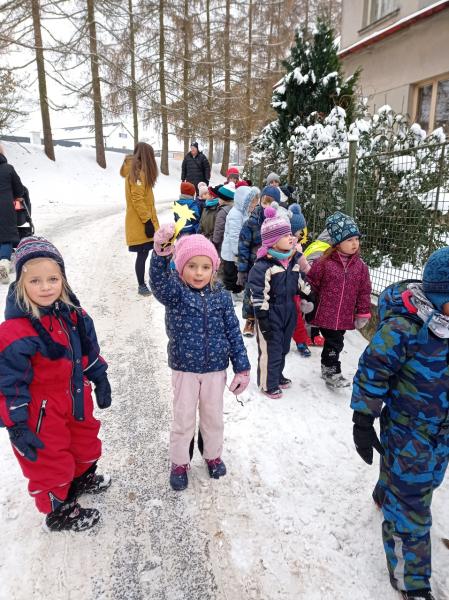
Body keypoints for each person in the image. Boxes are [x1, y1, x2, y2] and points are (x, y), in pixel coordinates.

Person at [351, 247, 449, 600]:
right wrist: (363, 418)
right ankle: (413, 582)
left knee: (429, 481)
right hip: (408, 430)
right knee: (410, 507)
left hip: (441, 432)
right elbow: (373, 370)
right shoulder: (404, 328)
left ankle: (385, 491)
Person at [0, 237, 112, 531]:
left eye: (52, 278)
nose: (45, 287)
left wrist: (99, 376)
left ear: (63, 278)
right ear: (21, 284)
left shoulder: (74, 315)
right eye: (35, 280)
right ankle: (59, 511)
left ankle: (81, 478)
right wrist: (16, 424)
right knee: (50, 462)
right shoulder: (14, 333)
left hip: (75, 400)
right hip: (41, 414)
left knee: (84, 442)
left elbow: (87, 352)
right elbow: (8, 384)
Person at [149, 227, 251, 491]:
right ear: (180, 267)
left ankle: (212, 455)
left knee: (213, 417)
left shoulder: (222, 297)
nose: (198, 273)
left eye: (205, 267)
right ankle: (179, 462)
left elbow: (233, 332)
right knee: (183, 418)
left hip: (215, 370)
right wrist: (160, 253)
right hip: (185, 369)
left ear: (213, 269)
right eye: (192, 266)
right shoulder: (176, 293)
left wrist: (242, 368)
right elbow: (159, 282)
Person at [248, 207, 309, 398]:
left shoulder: (292, 261)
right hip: (270, 312)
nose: (291, 238)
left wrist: (309, 294)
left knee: (283, 347)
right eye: (286, 235)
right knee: (270, 349)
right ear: (273, 241)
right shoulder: (263, 266)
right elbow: (258, 294)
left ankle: (277, 375)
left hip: (289, 310)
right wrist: (262, 318)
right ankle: (267, 383)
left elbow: (300, 282)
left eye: (291, 234)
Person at [307, 211, 371, 388]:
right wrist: (308, 301)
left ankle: (328, 367)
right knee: (334, 342)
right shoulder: (324, 263)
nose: (355, 243)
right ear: (337, 242)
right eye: (349, 240)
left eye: (357, 239)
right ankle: (331, 370)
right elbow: (311, 283)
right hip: (325, 313)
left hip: (344, 315)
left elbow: (364, 291)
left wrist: (363, 312)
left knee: (335, 343)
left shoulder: (361, 267)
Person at [237, 185, 280, 337]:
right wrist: (242, 269)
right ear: (260, 201)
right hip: (253, 265)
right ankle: (250, 319)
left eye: (271, 202)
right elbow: (243, 245)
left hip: (272, 265)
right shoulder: (251, 222)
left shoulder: (279, 222)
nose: (267, 205)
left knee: (270, 292)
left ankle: (268, 320)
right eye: (265, 201)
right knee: (251, 292)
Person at [120, 142, 159, 296]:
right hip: (140, 222)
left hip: (143, 220)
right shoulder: (137, 172)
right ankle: (141, 285)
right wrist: (147, 221)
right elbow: (137, 199)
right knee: (142, 254)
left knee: (147, 252)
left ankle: (150, 281)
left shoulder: (139, 171)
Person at [221, 186, 259, 302]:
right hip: (231, 252)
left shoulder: (244, 213)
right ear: (244, 202)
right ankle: (229, 293)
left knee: (237, 272)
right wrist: (237, 252)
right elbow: (234, 235)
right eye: (252, 204)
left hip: (238, 251)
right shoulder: (235, 214)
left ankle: (236, 291)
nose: (253, 206)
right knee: (231, 273)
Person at [0, 144, 25, 284]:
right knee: (6, 237)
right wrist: (18, 197)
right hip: (4, 208)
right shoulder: (8, 168)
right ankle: (4, 262)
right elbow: (19, 189)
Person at [212, 182, 236, 255]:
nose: (218, 199)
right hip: (229, 243)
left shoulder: (222, 212)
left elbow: (219, 229)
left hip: (220, 243)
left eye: (219, 198)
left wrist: (215, 242)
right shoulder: (234, 209)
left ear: (223, 199)